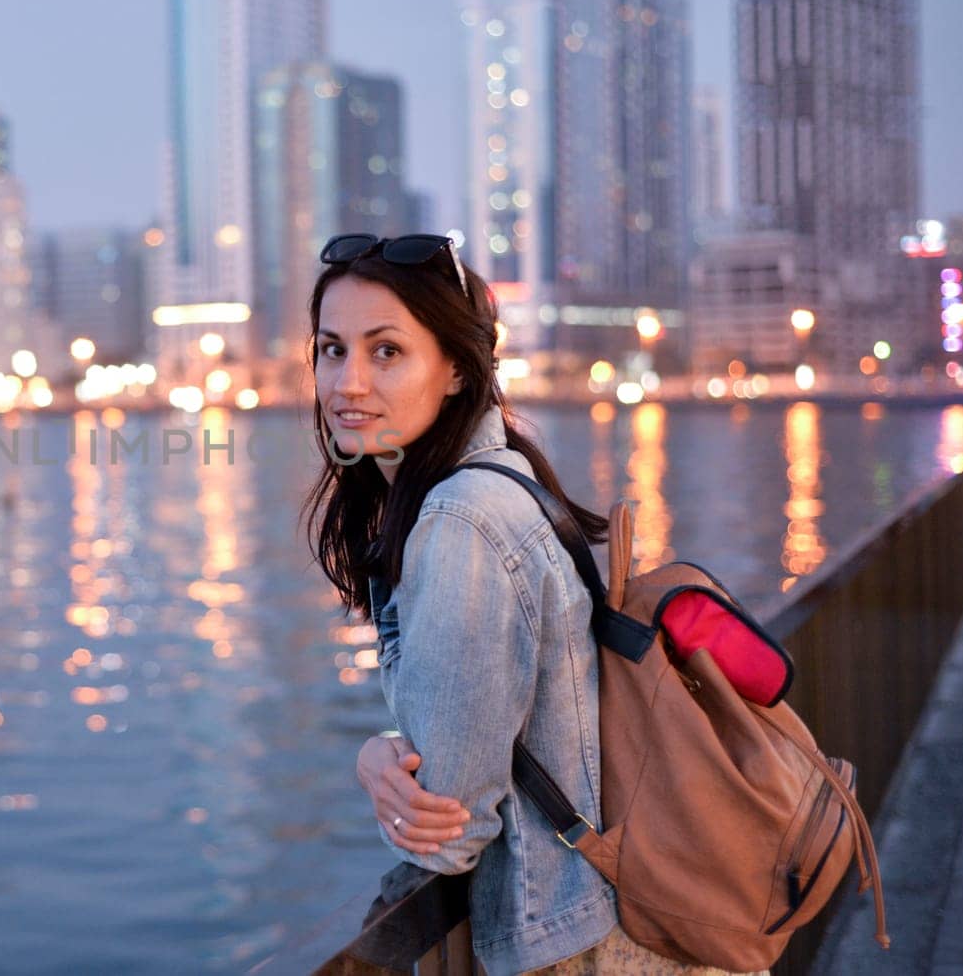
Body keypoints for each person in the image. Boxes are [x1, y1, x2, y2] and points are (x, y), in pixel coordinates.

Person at [303, 234, 766, 976]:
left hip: (589, 947)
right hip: (635, 918)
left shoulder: (462, 521)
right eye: (332, 349)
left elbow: (450, 828)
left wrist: (373, 763)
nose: (348, 381)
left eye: (386, 351)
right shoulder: (509, 481)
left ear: (456, 370)